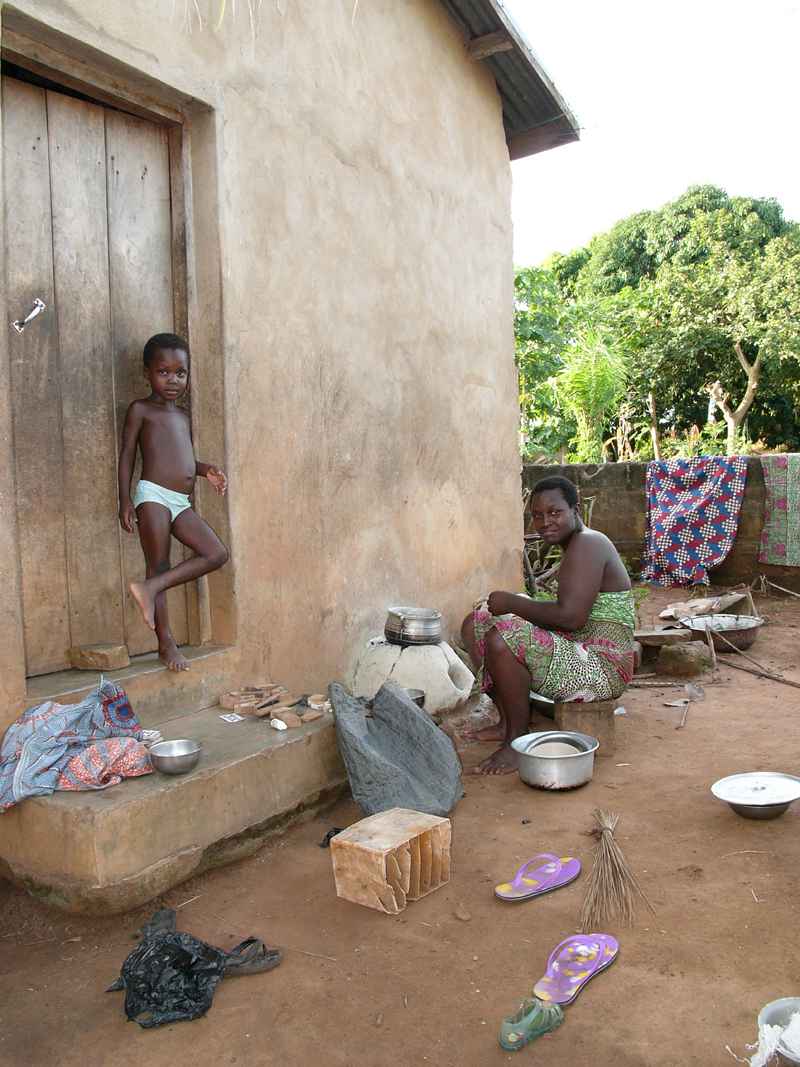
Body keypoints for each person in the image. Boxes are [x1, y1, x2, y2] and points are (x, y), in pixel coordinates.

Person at [460, 475, 635, 776]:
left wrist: (513, 604)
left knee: (504, 637)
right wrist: (514, 605)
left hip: (603, 670)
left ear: (575, 510)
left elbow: (571, 618)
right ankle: (507, 722)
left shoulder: (589, 543)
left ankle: (517, 741)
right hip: (579, 648)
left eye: (555, 512)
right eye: (537, 515)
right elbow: (570, 617)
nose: (545, 522)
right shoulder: (577, 544)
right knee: (476, 623)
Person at [118, 333, 229, 672]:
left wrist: (205, 470)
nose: (173, 380)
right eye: (163, 372)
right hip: (152, 494)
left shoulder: (182, 416)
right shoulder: (141, 410)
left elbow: (182, 459)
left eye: (180, 373)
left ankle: (150, 588)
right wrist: (124, 499)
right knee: (159, 563)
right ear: (147, 373)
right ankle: (165, 643)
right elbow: (127, 456)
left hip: (180, 501)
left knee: (216, 553)